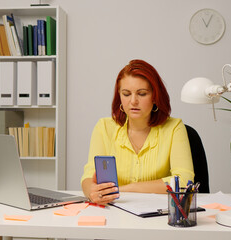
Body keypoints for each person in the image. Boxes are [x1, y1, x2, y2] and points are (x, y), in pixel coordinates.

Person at [81, 59, 194, 205]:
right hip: (115, 212)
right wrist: (92, 191)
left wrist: (127, 189)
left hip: (159, 215)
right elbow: (89, 176)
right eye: (126, 94)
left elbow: (184, 180)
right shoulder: (104, 127)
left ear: (155, 96)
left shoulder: (174, 128)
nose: (133, 101)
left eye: (142, 94)